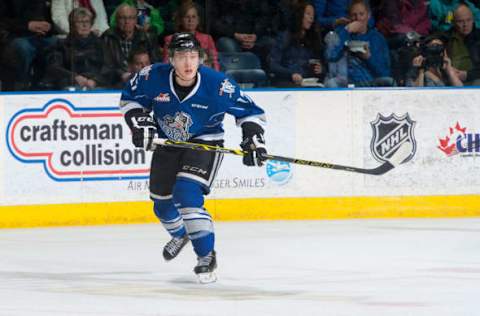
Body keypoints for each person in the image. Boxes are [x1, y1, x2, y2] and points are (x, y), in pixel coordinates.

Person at [119, 32, 267, 283]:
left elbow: (250, 113)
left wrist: (253, 137)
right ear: (171, 59)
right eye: (181, 56)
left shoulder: (218, 85)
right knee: (161, 203)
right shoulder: (151, 76)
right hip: (168, 143)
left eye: (192, 56)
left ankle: (206, 255)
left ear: (201, 58)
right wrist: (139, 122)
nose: (188, 63)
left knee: (186, 196)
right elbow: (129, 100)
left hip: (205, 143)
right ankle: (180, 234)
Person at [324, 0, 393, 87]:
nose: (358, 18)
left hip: (370, 83)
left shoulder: (377, 38)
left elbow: (385, 72)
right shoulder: (341, 33)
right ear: (349, 16)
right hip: (345, 82)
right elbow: (330, 56)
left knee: (389, 81)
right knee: (331, 83)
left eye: (361, 14)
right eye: (354, 15)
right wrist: (347, 31)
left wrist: (369, 58)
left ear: (368, 15)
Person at [44, 7, 106, 90]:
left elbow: (108, 67)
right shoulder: (62, 45)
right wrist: (75, 77)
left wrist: (95, 80)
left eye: (87, 21)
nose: (85, 25)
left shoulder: (100, 44)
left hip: (96, 84)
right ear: (72, 25)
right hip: (72, 84)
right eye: (80, 22)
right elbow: (54, 68)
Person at [102, 3, 159, 88]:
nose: (127, 22)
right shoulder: (107, 37)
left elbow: (155, 63)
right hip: (115, 82)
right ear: (117, 20)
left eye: (130, 18)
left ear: (136, 20)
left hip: (143, 81)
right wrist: (121, 75)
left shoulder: (147, 38)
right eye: (123, 18)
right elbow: (104, 66)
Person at [269, 1, 325, 87]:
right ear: (299, 15)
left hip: (306, 82)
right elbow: (273, 65)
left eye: (312, 15)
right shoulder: (285, 37)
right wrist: (291, 74)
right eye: (308, 14)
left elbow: (319, 64)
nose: (311, 18)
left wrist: (321, 69)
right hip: (285, 81)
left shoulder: (313, 39)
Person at [163, 1, 220, 70]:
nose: (190, 20)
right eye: (187, 17)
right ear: (180, 20)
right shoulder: (170, 39)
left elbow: (215, 61)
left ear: (198, 20)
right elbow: (167, 64)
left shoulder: (207, 38)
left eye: (193, 17)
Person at [446, 3, 480, 86]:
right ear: (454, 22)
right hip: (451, 78)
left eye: (468, 20)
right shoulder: (447, 37)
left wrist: (467, 75)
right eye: (460, 21)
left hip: (475, 79)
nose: (465, 25)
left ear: (473, 20)